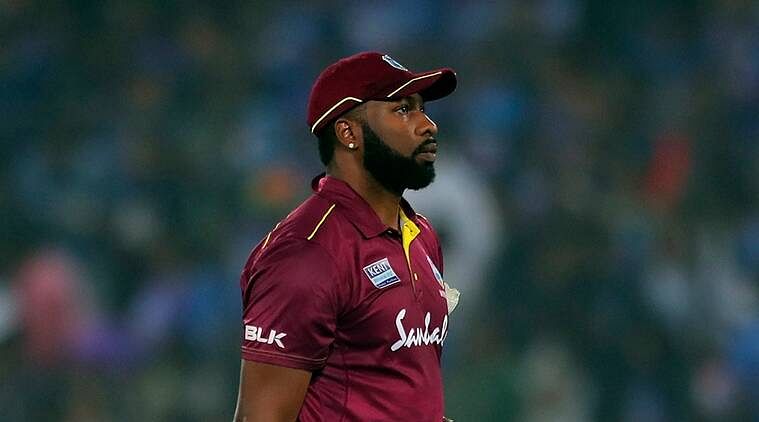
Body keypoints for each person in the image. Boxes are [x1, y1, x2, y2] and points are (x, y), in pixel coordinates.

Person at [233, 51, 460, 422]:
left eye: (422, 108)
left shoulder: (420, 235)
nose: (428, 125)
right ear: (348, 133)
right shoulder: (307, 254)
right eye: (403, 109)